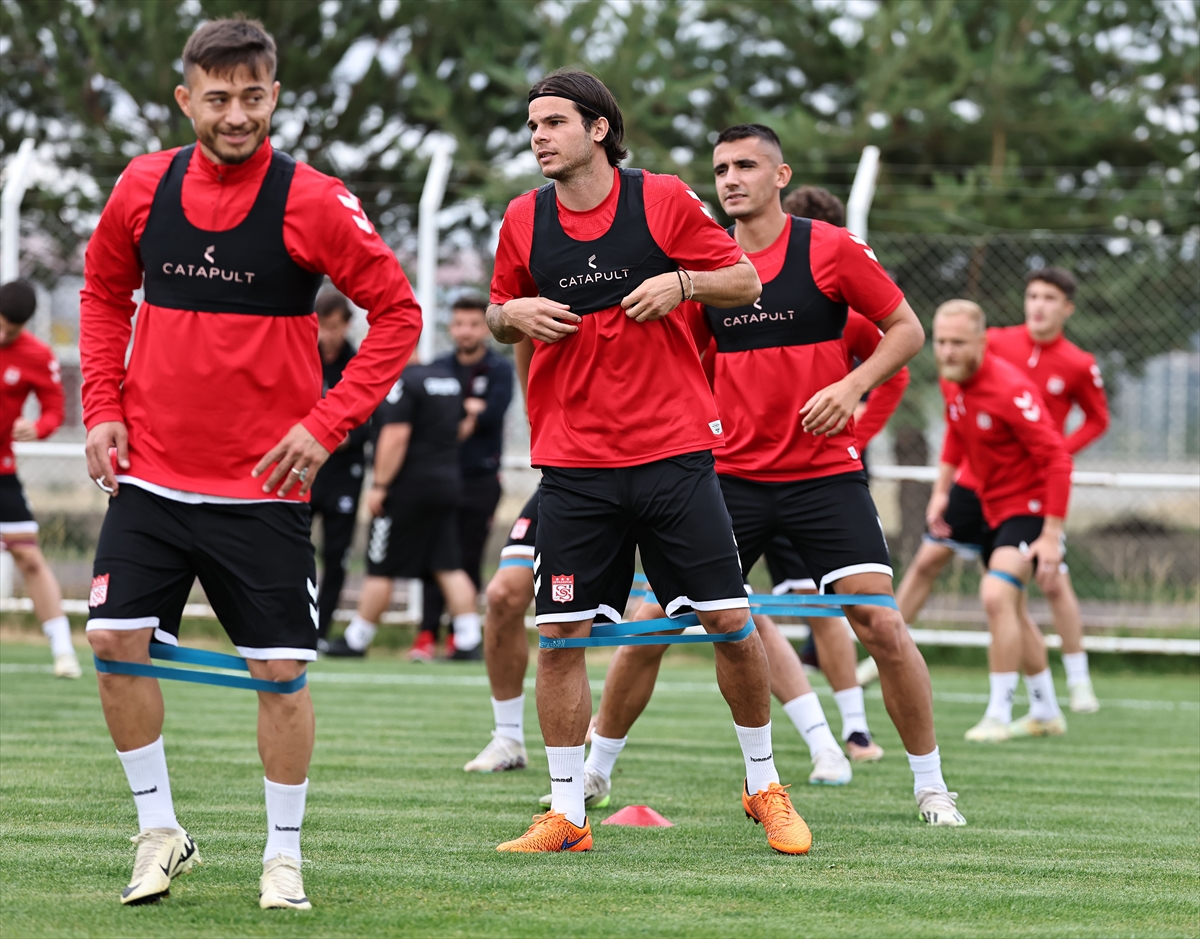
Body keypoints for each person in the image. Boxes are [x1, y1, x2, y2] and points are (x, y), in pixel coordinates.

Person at [79, 17, 422, 910]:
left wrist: (327, 423)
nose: (237, 114)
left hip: (263, 487)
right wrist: (102, 407)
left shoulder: (313, 200)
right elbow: (105, 293)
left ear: (275, 96)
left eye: (253, 96)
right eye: (218, 97)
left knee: (279, 672)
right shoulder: (143, 185)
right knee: (113, 641)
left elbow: (398, 313)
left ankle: (283, 854)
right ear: (186, 99)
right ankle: (159, 828)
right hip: (152, 476)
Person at [583, 125, 965, 827]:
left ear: (781, 175)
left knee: (881, 623)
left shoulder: (831, 248)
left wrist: (852, 387)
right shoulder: (706, 267)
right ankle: (594, 773)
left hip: (824, 478)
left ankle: (932, 787)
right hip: (726, 480)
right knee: (652, 623)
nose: (731, 179)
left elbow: (907, 330)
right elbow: (684, 363)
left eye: (747, 165)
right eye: (721, 168)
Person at [488, 70, 815, 855]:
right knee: (561, 635)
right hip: (574, 463)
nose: (539, 136)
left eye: (554, 121)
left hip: (673, 454)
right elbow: (499, 313)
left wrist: (683, 283)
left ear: (599, 128)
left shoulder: (661, 198)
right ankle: (568, 811)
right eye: (532, 124)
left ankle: (764, 784)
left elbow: (746, 279)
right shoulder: (523, 218)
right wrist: (511, 313)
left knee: (731, 622)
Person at [891, 267, 1108, 713]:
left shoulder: (1076, 363)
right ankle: (888, 648)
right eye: (1033, 295)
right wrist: (943, 487)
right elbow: (957, 423)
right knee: (937, 562)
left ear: (1067, 308)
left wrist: (1057, 453)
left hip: (1032, 489)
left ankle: (1076, 682)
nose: (1039, 305)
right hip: (977, 482)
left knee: (1037, 585)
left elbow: (1093, 423)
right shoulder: (982, 349)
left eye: (1050, 298)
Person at [931, 300, 1072, 742]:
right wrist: (942, 490)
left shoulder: (1010, 389)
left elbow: (1057, 459)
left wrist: (1051, 534)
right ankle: (1046, 711)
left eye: (958, 342)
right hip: (990, 506)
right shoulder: (952, 380)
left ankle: (997, 713)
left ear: (982, 341)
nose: (947, 351)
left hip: (1030, 507)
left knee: (995, 594)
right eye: (941, 342)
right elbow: (957, 432)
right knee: (1011, 607)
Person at [325, 356, 482, 660]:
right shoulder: (448, 379)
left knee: (381, 565)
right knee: (448, 564)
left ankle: (357, 639)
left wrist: (380, 484)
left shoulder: (403, 383)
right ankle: (469, 639)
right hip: (446, 483)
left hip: (407, 487)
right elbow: (464, 425)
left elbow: (395, 435)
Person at [414, 295, 514, 660]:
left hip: (480, 478)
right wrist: (466, 408)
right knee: (432, 556)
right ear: (451, 327)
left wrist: (461, 412)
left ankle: (462, 637)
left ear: (484, 328)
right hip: (437, 478)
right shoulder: (438, 367)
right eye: (459, 324)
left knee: (468, 556)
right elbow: (428, 418)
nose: (466, 331)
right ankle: (426, 634)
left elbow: (492, 414)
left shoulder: (499, 369)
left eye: (473, 324)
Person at [464, 338, 540, 772]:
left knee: (660, 616)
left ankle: (602, 753)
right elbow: (519, 330)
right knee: (503, 595)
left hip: (659, 466)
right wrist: (539, 414)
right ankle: (508, 738)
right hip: (574, 473)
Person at [0, 280, 78, 679]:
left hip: (2, 472)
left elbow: (54, 410)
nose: (2, 335)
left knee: (29, 557)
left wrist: (39, 428)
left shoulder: (36, 355)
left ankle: (64, 653)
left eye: (11, 330)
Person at [309, 289, 371, 651]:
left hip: (345, 472)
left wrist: (345, 435)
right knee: (294, 547)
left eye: (334, 326)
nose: (328, 334)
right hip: (306, 468)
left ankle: (320, 631)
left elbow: (370, 416)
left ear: (347, 325)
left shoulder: (358, 363)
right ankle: (292, 622)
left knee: (336, 555)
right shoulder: (303, 357)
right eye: (323, 326)